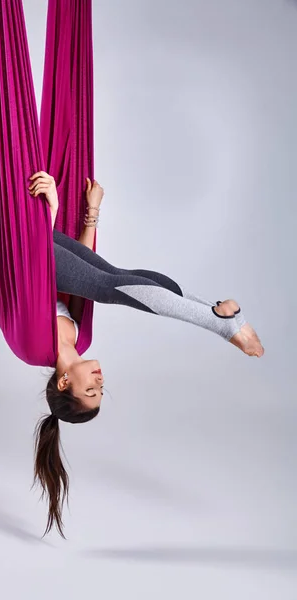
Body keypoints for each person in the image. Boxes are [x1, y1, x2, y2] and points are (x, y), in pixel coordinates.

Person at [28, 171, 264, 537]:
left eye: (90, 390)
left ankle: (219, 321)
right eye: (100, 391)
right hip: (48, 244)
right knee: (121, 279)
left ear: (63, 382)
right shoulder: (77, 336)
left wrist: (48, 212)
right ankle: (215, 312)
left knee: (112, 285)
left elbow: (29, 274)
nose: (100, 383)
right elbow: (85, 275)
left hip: (30, 247)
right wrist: (91, 212)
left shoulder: (31, 344)